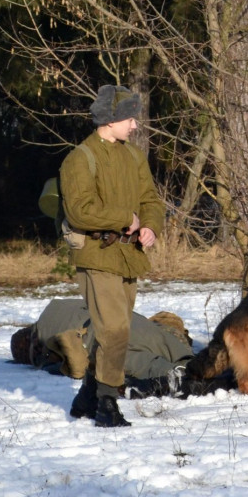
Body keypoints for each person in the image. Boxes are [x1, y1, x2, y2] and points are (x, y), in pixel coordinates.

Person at [59, 84, 164, 427]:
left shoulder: (133, 156)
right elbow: (79, 211)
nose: (135, 125)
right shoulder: (80, 158)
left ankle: (88, 394)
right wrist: (124, 219)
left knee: (111, 331)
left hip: (129, 256)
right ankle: (107, 402)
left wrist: (149, 226)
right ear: (111, 120)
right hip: (96, 255)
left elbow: (150, 199)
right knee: (115, 329)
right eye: (130, 118)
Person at [10, 298, 194, 396]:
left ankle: (184, 370)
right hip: (134, 324)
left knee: (131, 360)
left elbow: (70, 361)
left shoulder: (50, 340)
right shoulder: (57, 307)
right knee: (159, 338)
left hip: (118, 342)